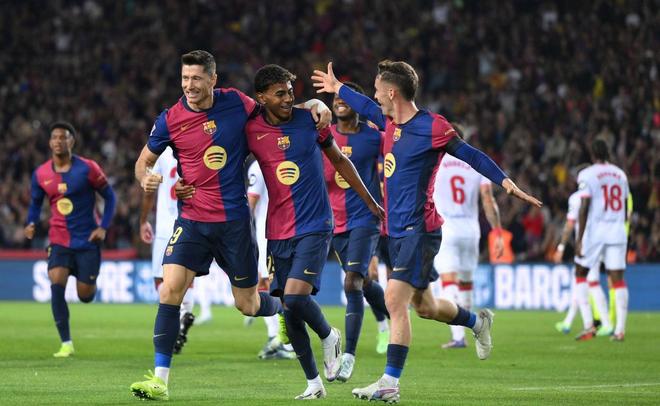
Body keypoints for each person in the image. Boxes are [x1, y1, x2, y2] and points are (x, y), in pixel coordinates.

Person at [312, 60, 542, 403]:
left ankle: (390, 382)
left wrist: (506, 183)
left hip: (420, 229)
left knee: (393, 299)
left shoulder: (432, 126)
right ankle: (477, 322)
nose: (375, 97)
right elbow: (364, 106)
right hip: (395, 231)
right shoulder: (388, 122)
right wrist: (338, 87)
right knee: (426, 306)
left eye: (378, 90)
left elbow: (472, 155)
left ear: (392, 92)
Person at [130, 50, 288, 401]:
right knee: (169, 291)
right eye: (185, 78)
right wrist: (145, 178)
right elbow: (143, 162)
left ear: (213, 79)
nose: (189, 85)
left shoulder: (237, 104)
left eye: (196, 78)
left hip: (233, 223)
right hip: (192, 221)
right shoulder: (170, 119)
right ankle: (160, 380)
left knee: (247, 304)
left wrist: (314, 107)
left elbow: (278, 113)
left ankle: (285, 308)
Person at [245, 64, 384, 399]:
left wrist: (370, 201)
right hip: (277, 230)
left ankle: (329, 335)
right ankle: (313, 384)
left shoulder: (310, 120)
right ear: (262, 98)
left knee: (295, 297)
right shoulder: (250, 129)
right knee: (289, 308)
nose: (288, 99)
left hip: (315, 223)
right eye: (280, 93)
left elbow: (340, 161)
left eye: (291, 92)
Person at [24, 121, 116, 357]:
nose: (58, 141)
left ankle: (88, 284)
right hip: (59, 239)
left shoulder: (88, 169)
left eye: (63, 137)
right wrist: (31, 222)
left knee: (85, 295)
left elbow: (110, 197)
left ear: (71, 141)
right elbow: (35, 203)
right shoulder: (41, 174)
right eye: (54, 137)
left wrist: (103, 227)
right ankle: (66, 343)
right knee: (56, 283)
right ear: (49, 142)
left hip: (87, 240)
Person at [322, 81, 390, 382]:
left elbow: (396, 155)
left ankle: (348, 356)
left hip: (366, 218)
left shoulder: (374, 138)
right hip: (335, 223)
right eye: (336, 98)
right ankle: (391, 315)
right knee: (363, 282)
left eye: (346, 98)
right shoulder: (323, 136)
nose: (339, 102)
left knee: (351, 283)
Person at [138, 146, 211, 354]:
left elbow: (150, 189)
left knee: (160, 280)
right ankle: (185, 313)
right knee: (186, 276)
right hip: (189, 223)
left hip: (165, 226)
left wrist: (143, 220)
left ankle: (180, 319)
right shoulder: (196, 150)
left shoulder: (161, 154)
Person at [432, 147, 504, 349]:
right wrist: (497, 232)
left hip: (446, 229)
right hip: (471, 232)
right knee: (465, 284)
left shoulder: (437, 161)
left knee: (449, 282)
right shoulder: (476, 163)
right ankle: (472, 331)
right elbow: (488, 199)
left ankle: (458, 337)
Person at [574, 139, 630, 342]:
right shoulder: (620, 174)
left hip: (596, 232)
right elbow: (625, 206)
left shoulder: (587, 174)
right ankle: (620, 330)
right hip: (617, 231)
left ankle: (589, 325)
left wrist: (580, 238)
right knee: (618, 279)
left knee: (580, 273)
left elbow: (584, 207)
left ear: (592, 154)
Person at [246, 158, 296, 360]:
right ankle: (275, 337)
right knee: (268, 284)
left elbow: (250, 204)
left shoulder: (258, 166)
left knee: (271, 285)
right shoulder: (281, 160)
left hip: (267, 234)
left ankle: (287, 342)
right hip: (283, 230)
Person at [553, 187, 607, 336]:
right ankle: (568, 322)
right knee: (584, 283)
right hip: (599, 243)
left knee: (586, 283)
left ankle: (601, 323)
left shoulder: (576, 198)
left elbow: (570, 224)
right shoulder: (601, 196)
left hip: (584, 245)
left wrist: (561, 247)